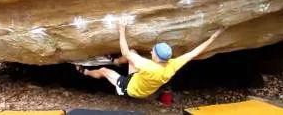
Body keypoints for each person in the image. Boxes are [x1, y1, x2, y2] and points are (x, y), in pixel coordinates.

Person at [76, 19, 224, 98]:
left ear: (157, 57)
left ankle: (85, 72)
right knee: (133, 53)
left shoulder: (147, 65)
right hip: (142, 83)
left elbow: (125, 52)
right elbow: (194, 53)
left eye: (153, 51)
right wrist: (213, 37)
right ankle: (115, 61)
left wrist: (121, 30)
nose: (150, 50)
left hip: (131, 89)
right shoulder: (173, 64)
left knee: (104, 70)